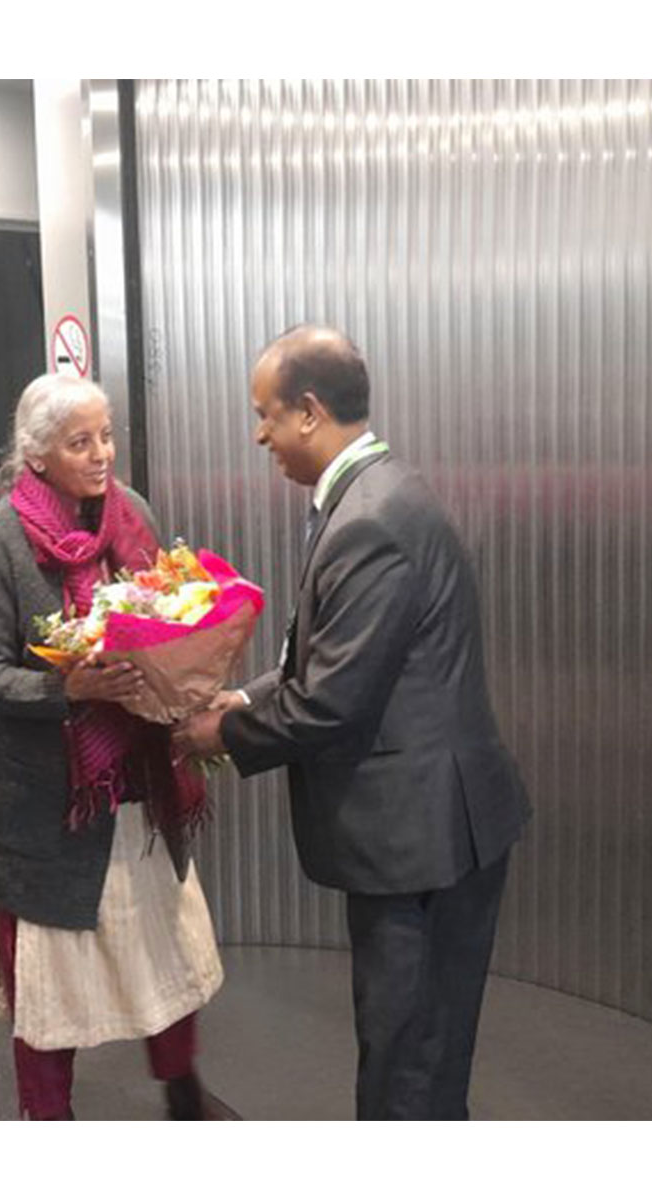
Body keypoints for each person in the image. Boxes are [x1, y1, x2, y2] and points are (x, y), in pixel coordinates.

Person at [174, 326, 531, 1120]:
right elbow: (325, 655)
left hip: (425, 841)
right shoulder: (371, 498)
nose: (258, 433)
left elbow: (333, 700)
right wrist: (244, 697)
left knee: (408, 1069)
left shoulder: (372, 517)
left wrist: (218, 737)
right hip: (427, 834)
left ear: (308, 411)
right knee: (417, 1055)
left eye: (265, 413)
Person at [0, 373, 230, 1121]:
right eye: (81, 442)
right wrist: (68, 692)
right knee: (49, 992)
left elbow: (167, 613)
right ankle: (48, 1122)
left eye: (106, 435)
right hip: (49, 811)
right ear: (37, 456)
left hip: (139, 787)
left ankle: (183, 1092)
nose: (102, 453)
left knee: (163, 954)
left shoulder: (131, 514)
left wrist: (186, 661)